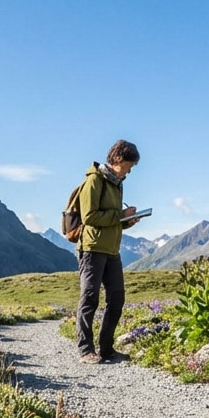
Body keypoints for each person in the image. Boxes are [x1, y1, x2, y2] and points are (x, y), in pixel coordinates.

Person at [75, 139, 143, 364]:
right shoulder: (94, 180)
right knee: (89, 297)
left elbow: (111, 219)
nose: (130, 170)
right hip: (92, 248)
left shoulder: (117, 183)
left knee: (117, 298)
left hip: (112, 248)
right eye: (129, 165)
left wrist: (126, 222)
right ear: (118, 160)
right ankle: (85, 349)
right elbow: (90, 217)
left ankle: (106, 349)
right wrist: (120, 217)